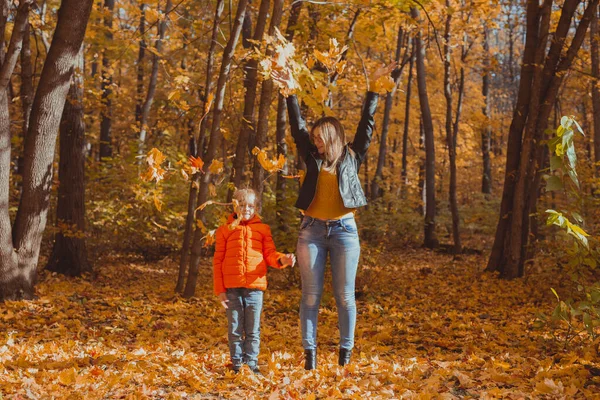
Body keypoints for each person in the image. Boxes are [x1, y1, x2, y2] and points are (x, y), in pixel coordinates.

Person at [273, 63, 395, 370]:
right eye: (313, 138)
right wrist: (290, 90)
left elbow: (367, 123)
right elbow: (296, 125)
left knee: (345, 297)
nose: (315, 142)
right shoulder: (311, 156)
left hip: (344, 231)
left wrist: (374, 89)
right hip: (311, 230)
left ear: (333, 136)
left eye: (320, 138)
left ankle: (345, 355)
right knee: (311, 297)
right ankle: (310, 357)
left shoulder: (353, 155)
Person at [213, 188, 296, 374]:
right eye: (242, 205)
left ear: (256, 207)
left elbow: (270, 254)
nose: (246, 209)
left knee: (252, 330)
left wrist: (283, 259)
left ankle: (251, 365)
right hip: (232, 289)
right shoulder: (225, 230)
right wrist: (220, 290)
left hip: (255, 289)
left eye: (250, 205)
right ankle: (236, 366)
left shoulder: (262, 229)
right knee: (234, 329)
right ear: (235, 206)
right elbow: (218, 260)